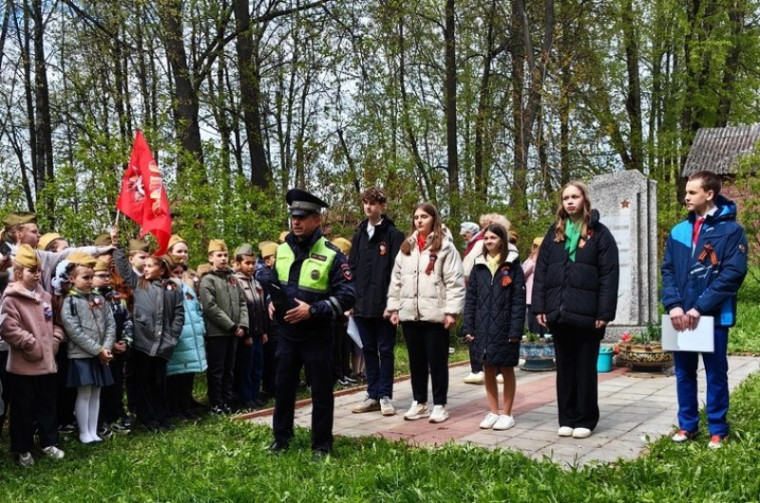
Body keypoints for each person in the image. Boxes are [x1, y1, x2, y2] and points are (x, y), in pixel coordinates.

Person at [662, 170, 748, 449]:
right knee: (684, 373)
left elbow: (732, 275)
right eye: (686, 192)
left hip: (713, 317)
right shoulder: (678, 231)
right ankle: (687, 426)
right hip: (680, 317)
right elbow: (669, 271)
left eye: (691, 192)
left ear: (708, 194)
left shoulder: (732, 231)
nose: (685, 197)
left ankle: (717, 429)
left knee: (715, 373)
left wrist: (700, 308)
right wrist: (674, 305)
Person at [268, 189, 355, 459]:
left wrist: (314, 310)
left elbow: (348, 293)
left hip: (317, 335)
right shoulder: (281, 250)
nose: (296, 222)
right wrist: (271, 301)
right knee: (282, 388)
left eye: (303, 217)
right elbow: (272, 281)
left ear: (317, 220)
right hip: (287, 333)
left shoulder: (332, 254)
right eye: (294, 216)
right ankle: (281, 439)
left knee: (320, 391)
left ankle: (321, 445)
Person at [532, 181, 619, 439]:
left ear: (584, 200)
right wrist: (540, 306)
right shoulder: (554, 234)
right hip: (559, 313)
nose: (570, 202)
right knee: (565, 369)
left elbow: (609, 276)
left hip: (588, 315)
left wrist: (604, 313)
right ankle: (566, 417)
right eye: (566, 198)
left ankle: (585, 419)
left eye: (575, 197)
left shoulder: (600, 235)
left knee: (585, 369)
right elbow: (541, 273)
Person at [386, 202, 465, 424]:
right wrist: (394, 308)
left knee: (437, 362)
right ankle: (419, 401)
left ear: (434, 220)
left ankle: (440, 405)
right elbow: (397, 280)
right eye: (416, 217)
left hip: (435, 314)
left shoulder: (445, 247)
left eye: (424, 217)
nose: (419, 221)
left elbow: (455, 282)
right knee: (416, 361)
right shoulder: (407, 248)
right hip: (410, 314)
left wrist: (451, 311)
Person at [0, 245, 66, 465]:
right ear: (19, 273)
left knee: (48, 405)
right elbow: (9, 328)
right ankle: (22, 448)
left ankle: (49, 442)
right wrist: (31, 345)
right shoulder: (11, 299)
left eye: (38, 270)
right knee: (22, 410)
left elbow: (56, 323)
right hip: (24, 367)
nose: (37, 274)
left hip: (47, 364)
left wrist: (55, 341)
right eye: (32, 271)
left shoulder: (45, 296)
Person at [114, 241, 184, 431]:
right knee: (143, 383)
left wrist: (172, 337)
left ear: (162, 270)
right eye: (144, 266)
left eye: (150, 265)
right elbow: (122, 266)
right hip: (143, 344)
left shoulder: (173, 289)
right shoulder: (139, 284)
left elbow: (179, 314)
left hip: (163, 345)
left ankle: (163, 416)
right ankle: (148, 418)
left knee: (159, 383)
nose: (145, 268)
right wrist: (117, 245)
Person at [463, 224, 525, 431]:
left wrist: (516, 329)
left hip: (505, 327)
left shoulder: (512, 265)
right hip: (482, 327)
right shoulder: (478, 265)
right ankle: (493, 411)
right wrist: (468, 326)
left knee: (506, 368)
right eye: (486, 238)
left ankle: (507, 413)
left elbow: (518, 300)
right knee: (487, 367)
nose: (489, 241)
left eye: (493, 238)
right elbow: (470, 299)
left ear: (502, 240)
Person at [349, 187, 404, 416]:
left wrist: (394, 306)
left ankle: (385, 396)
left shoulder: (392, 235)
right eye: (365, 203)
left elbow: (398, 273)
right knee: (368, 349)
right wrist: (350, 301)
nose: (368, 207)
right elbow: (350, 269)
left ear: (382, 206)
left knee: (386, 350)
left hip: (384, 306)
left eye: (373, 203)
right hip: (361, 305)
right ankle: (372, 394)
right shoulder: (359, 233)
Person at [60, 252, 116, 444]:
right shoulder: (70, 302)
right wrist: (97, 349)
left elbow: (110, 324)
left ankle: (93, 430)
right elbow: (73, 331)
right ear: (72, 278)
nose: (90, 281)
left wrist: (106, 348)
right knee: (84, 393)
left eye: (92, 277)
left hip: (101, 354)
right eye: (85, 277)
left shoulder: (100, 299)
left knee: (96, 392)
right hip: (82, 355)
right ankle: (84, 432)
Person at [199, 239, 249, 414]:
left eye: (225, 255)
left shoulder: (232, 279)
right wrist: (231, 326)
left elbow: (242, 302)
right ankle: (215, 403)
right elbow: (210, 307)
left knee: (229, 369)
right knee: (217, 370)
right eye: (219, 255)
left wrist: (243, 324)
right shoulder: (208, 280)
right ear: (211, 258)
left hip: (235, 332)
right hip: (217, 333)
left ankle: (227, 401)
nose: (223, 258)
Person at [462, 213, 511, 385]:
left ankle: (478, 369)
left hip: (485, 293)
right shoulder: (510, 247)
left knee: (480, 331)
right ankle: (497, 370)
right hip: (494, 295)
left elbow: (467, 267)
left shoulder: (480, 243)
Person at [93, 259, 134, 436]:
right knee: (101, 390)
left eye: (108, 275)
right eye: (101, 276)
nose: (106, 279)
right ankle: (99, 422)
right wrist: (108, 346)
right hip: (100, 352)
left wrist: (126, 341)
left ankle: (115, 418)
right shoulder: (90, 299)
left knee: (117, 386)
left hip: (119, 350)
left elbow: (127, 320)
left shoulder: (117, 297)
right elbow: (92, 327)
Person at [166, 258, 207, 420]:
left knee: (188, 376)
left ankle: (186, 408)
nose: (177, 276)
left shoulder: (188, 290)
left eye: (180, 272)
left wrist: (201, 327)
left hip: (192, 338)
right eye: (174, 272)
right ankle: (176, 410)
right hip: (179, 339)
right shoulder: (167, 291)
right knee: (176, 376)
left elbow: (197, 311)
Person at [232, 243, 267, 410]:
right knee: (245, 367)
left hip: (259, 332)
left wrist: (264, 331)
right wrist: (245, 334)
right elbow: (240, 310)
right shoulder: (235, 282)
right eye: (247, 263)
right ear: (238, 264)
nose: (251, 266)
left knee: (257, 366)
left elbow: (262, 308)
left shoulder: (256, 282)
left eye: (253, 263)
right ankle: (245, 398)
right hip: (248, 333)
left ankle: (254, 395)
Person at [256, 241, 279, 400]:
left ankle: (275, 385)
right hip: (269, 322)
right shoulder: (264, 275)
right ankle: (270, 386)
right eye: (276, 257)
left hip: (276, 321)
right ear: (267, 261)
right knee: (271, 355)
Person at [522, 237, 545, 337]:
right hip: (531, 298)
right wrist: (533, 261)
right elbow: (523, 275)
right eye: (536, 247)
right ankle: (534, 338)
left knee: (543, 324)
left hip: (544, 298)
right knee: (533, 324)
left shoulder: (546, 261)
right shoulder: (529, 261)